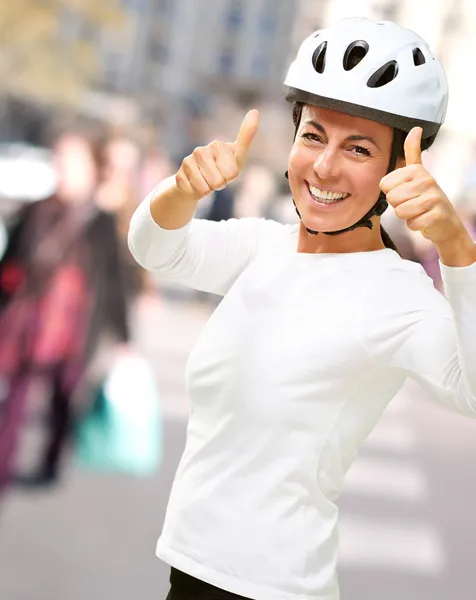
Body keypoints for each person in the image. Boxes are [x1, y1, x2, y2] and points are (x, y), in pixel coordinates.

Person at [128, 18, 476, 600]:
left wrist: (457, 247)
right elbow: (156, 246)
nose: (323, 166)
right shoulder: (263, 246)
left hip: (275, 588)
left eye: (358, 148)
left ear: (400, 169)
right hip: (189, 572)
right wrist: (183, 189)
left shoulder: (392, 291)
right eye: (314, 136)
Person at [0, 128, 129, 492]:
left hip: (73, 331)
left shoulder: (101, 221)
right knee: (14, 401)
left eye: (71, 161)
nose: (62, 168)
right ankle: (3, 470)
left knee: (64, 401)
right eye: (59, 159)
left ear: (91, 167)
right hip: (28, 324)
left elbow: (114, 280)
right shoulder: (37, 210)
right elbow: (11, 263)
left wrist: (123, 336)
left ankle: (53, 459)